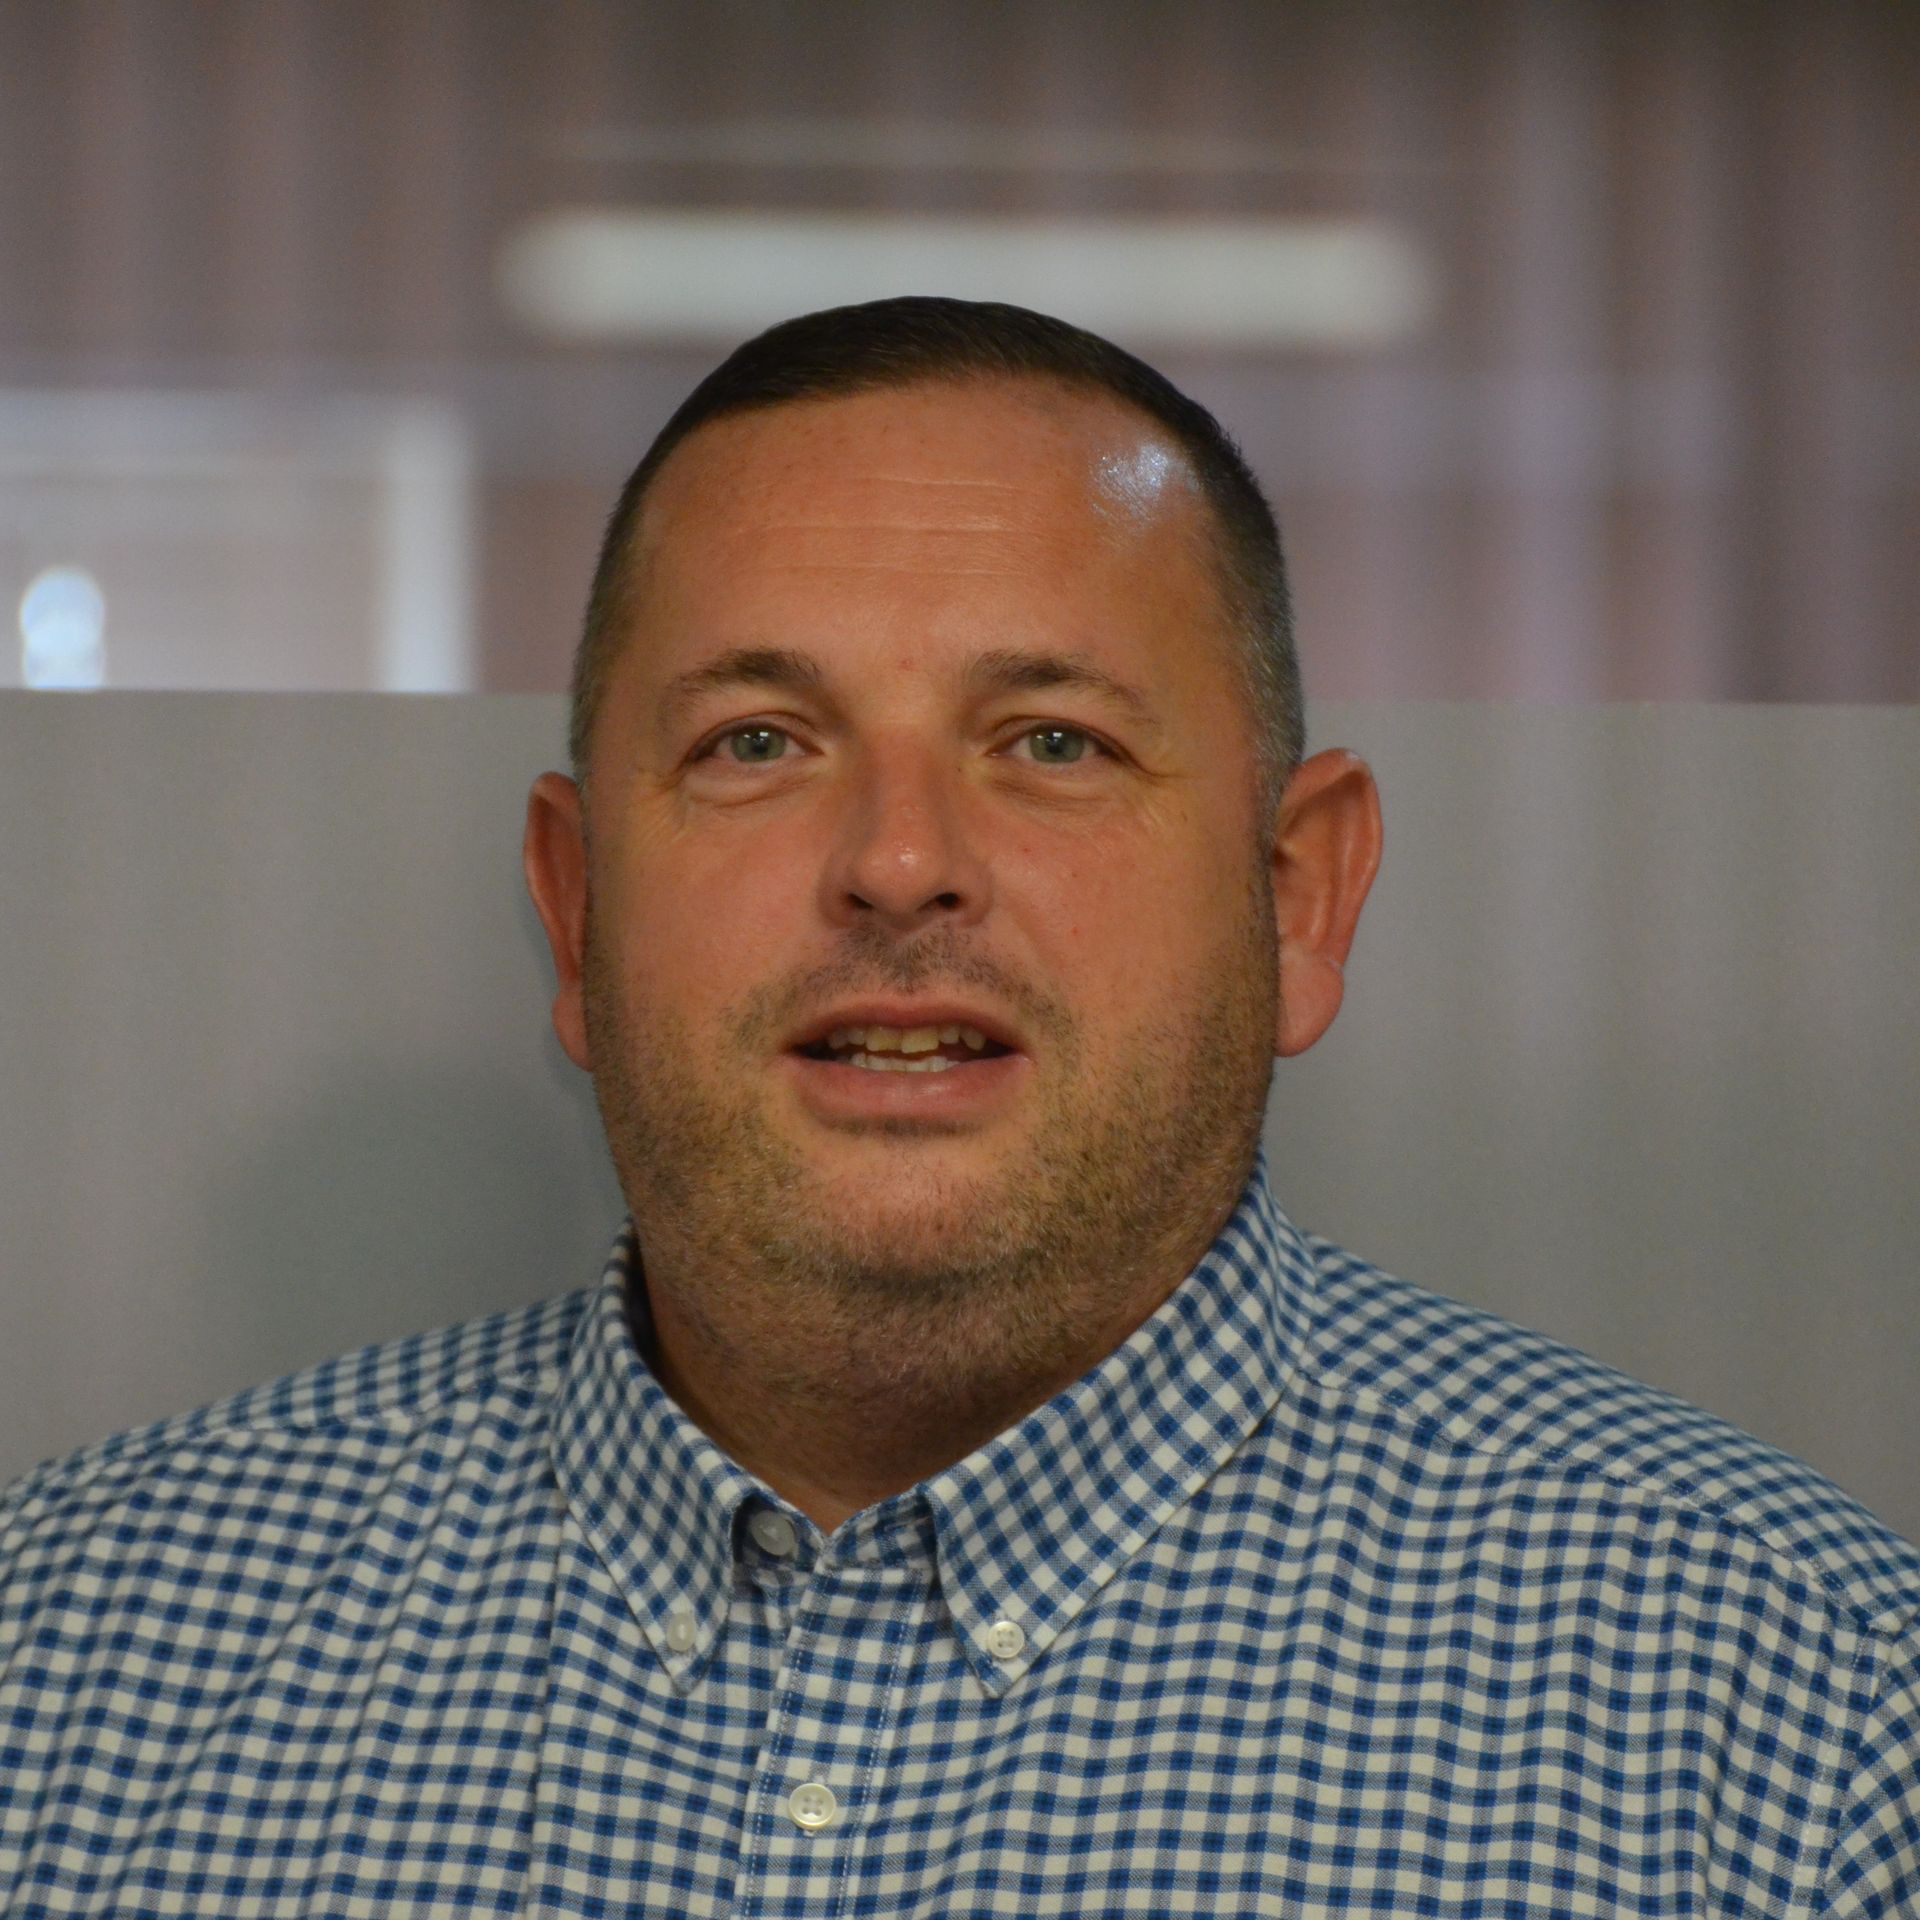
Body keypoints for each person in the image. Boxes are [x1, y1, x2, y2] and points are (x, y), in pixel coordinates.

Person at [2, 298, 1915, 1918]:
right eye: (758, 742)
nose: (901, 862)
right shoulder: (64, 1666)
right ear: (578, 910)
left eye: (1053, 743)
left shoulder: (1798, 1730)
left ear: (1299, 895)